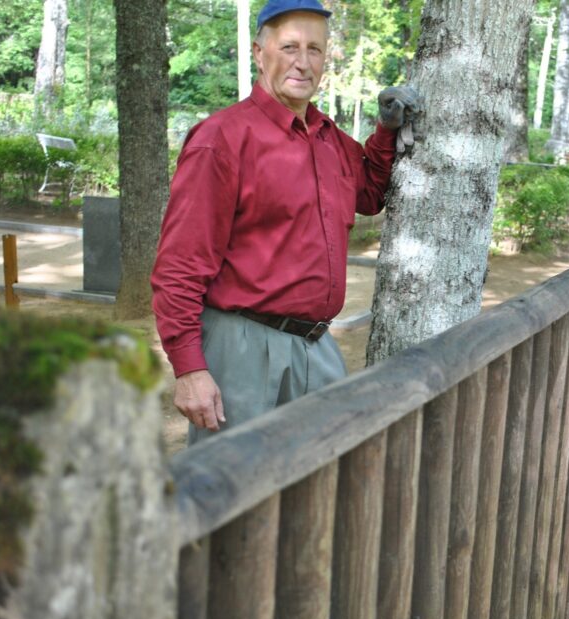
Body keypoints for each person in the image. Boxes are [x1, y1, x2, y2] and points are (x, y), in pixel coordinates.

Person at [151, 0, 421, 443]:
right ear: (260, 53)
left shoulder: (328, 137)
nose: (303, 62)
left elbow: (370, 192)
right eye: (289, 46)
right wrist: (190, 368)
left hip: (317, 346)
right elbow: (179, 266)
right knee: (236, 489)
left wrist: (386, 129)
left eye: (315, 49)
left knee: (323, 482)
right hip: (242, 348)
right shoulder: (222, 139)